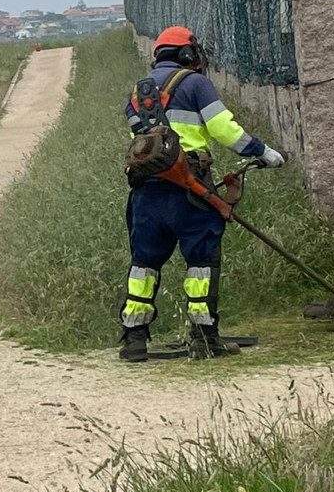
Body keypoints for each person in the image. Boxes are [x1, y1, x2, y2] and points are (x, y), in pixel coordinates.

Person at [120, 26, 286, 361]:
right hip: (191, 191)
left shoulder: (138, 94)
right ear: (187, 54)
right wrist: (262, 151)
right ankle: (204, 337)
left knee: (144, 264)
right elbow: (224, 128)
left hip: (147, 194)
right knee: (201, 261)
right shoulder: (196, 83)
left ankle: (134, 339)